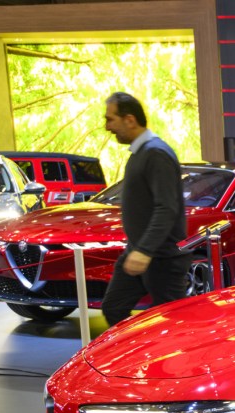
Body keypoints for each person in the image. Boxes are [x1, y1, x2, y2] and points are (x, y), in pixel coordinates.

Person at [100, 91, 190, 326]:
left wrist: (145, 251)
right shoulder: (142, 153)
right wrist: (138, 250)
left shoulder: (156, 154)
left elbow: (166, 208)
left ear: (130, 119)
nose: (107, 127)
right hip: (139, 253)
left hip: (160, 258)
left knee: (173, 323)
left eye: (111, 119)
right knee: (114, 307)